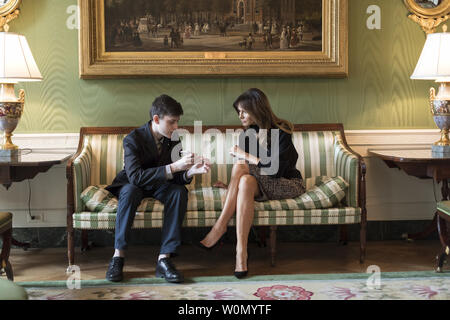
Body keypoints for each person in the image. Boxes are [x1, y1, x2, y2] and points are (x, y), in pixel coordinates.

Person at [199, 88, 304, 278]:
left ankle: (220, 227)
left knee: (240, 167)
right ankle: (241, 253)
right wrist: (233, 186)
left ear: (257, 109)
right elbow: (253, 172)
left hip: (286, 183)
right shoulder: (247, 135)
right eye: (238, 111)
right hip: (261, 184)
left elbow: (275, 171)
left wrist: (244, 155)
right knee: (245, 180)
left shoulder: (282, 131)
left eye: (244, 111)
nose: (240, 115)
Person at [105, 94, 211, 283]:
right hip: (133, 184)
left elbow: (177, 177)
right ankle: (118, 257)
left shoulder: (174, 138)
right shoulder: (133, 139)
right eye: (172, 122)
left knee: (179, 192)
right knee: (129, 192)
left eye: (177, 122)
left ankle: (165, 259)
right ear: (156, 119)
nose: (176, 127)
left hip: (160, 185)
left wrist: (190, 172)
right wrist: (175, 167)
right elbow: (135, 177)